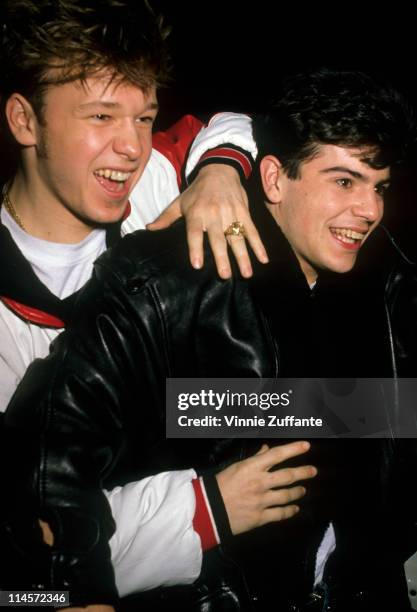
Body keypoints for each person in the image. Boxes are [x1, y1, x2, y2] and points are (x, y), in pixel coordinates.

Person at [3, 68, 416, 611]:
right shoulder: (161, 277)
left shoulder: (382, 277)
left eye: (378, 187)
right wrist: (71, 594)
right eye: (344, 181)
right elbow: (41, 473)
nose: (369, 210)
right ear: (272, 180)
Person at [0, 0, 312, 601]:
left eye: (143, 118)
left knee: (364, 414)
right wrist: (206, 506)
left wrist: (219, 173)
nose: (131, 147)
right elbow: (28, 567)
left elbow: (230, 123)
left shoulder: (155, 183)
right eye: (101, 116)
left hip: (216, 465)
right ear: (24, 120)